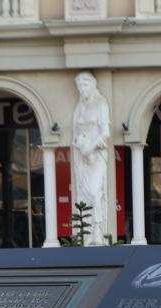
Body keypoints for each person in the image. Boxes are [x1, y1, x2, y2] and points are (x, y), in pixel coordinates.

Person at [71, 71, 111, 245]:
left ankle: (98, 231)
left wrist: (90, 147)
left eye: (85, 85)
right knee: (83, 194)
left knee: (95, 192)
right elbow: (75, 132)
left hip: (96, 154)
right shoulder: (80, 107)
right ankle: (85, 233)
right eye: (79, 85)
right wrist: (81, 145)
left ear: (93, 85)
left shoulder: (101, 104)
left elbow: (105, 133)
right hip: (82, 155)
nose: (82, 89)